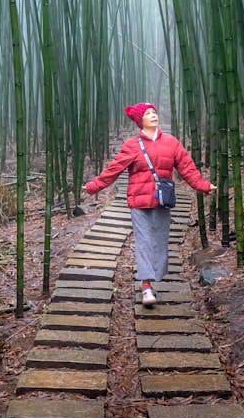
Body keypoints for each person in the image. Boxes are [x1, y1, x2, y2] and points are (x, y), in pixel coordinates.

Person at [84, 102, 216, 306]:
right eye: (147, 114)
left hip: (162, 201)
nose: (153, 116)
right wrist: (94, 186)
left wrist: (203, 186)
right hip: (139, 201)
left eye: (154, 112)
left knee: (160, 242)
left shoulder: (171, 143)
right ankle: (146, 287)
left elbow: (187, 168)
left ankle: (154, 278)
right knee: (144, 242)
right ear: (140, 121)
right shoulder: (132, 145)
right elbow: (114, 169)